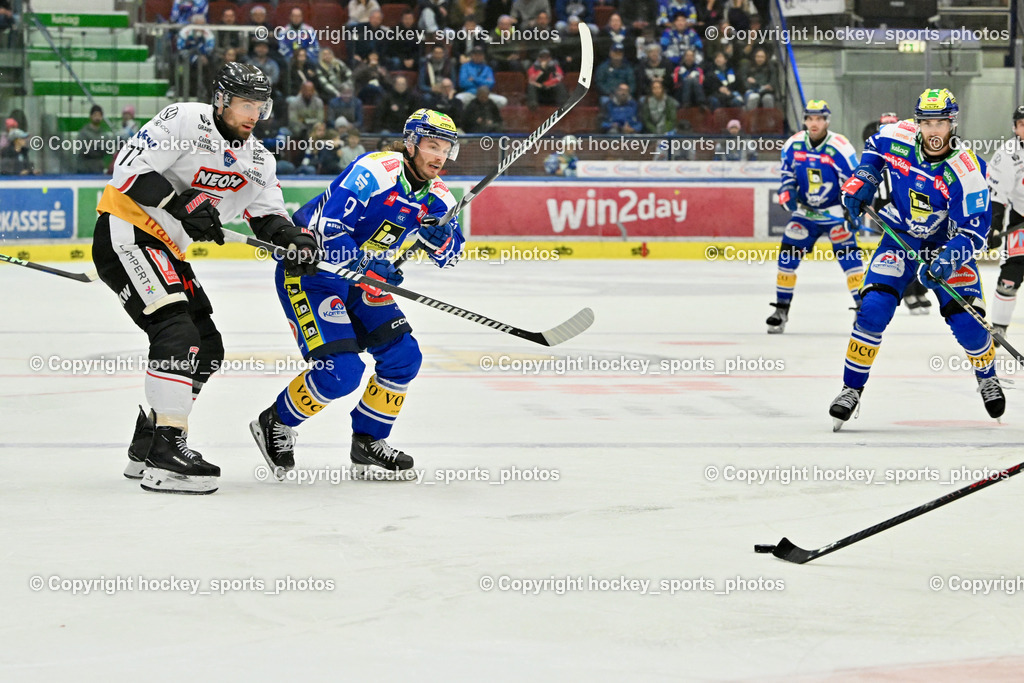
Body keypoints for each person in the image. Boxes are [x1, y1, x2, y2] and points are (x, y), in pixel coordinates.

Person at [90, 63, 320, 494]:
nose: (253, 114)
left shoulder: (259, 161)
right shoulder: (184, 120)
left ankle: (149, 440)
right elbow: (128, 170)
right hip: (128, 231)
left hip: (166, 250)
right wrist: (182, 203)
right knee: (177, 333)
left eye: (260, 105)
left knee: (207, 347)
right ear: (221, 99)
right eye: (244, 103)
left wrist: (296, 242)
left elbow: (268, 215)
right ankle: (167, 451)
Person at [249, 109, 465, 480]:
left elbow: (452, 256)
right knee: (342, 372)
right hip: (312, 274)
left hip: (360, 279)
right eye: (432, 146)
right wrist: (370, 266)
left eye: (446, 149)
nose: (440, 157)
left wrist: (442, 240)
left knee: (403, 356)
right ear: (411, 143)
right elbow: (328, 229)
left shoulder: (438, 197)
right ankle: (275, 422)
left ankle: (368, 442)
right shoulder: (374, 171)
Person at [831, 88, 1001, 429]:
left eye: (941, 123)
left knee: (967, 323)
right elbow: (874, 150)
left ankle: (987, 375)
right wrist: (863, 178)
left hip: (946, 244)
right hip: (900, 236)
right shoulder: (899, 135)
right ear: (917, 122)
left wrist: (947, 260)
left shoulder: (967, 170)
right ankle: (851, 389)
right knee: (873, 310)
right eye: (926, 122)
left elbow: (975, 232)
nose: (933, 131)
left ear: (953, 124)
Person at [766, 100, 861, 333]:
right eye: (810, 118)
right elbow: (787, 172)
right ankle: (781, 309)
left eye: (819, 119)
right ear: (805, 120)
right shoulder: (793, 144)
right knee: (787, 260)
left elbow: (856, 180)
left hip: (836, 215)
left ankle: (863, 311)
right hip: (805, 214)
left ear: (827, 121)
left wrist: (852, 208)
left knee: (851, 263)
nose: (814, 123)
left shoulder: (840, 147)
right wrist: (786, 190)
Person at [985, 105, 1024, 342]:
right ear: (1015, 127)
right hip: (1020, 218)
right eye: (1022, 124)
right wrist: (995, 226)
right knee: (1011, 275)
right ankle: (999, 328)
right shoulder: (1007, 153)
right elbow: (997, 195)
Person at [77, 105, 112, 174]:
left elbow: (108, 149)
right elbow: (83, 150)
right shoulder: (84, 132)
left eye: (99, 115)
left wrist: (92, 145)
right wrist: (99, 147)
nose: (97, 117)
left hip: (98, 168)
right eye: (95, 115)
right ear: (91, 116)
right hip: (84, 168)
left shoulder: (104, 134)